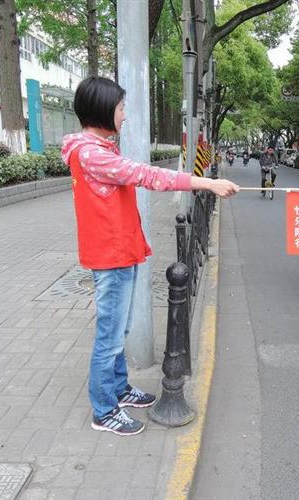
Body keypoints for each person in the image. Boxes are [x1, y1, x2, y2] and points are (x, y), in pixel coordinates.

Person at [61, 76, 239, 437]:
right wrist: (207, 183)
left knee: (119, 330)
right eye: (121, 108)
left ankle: (119, 389)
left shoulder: (98, 148)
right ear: (103, 109)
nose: (124, 115)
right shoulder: (91, 154)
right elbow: (146, 175)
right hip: (110, 256)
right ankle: (104, 409)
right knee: (110, 337)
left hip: (119, 250)